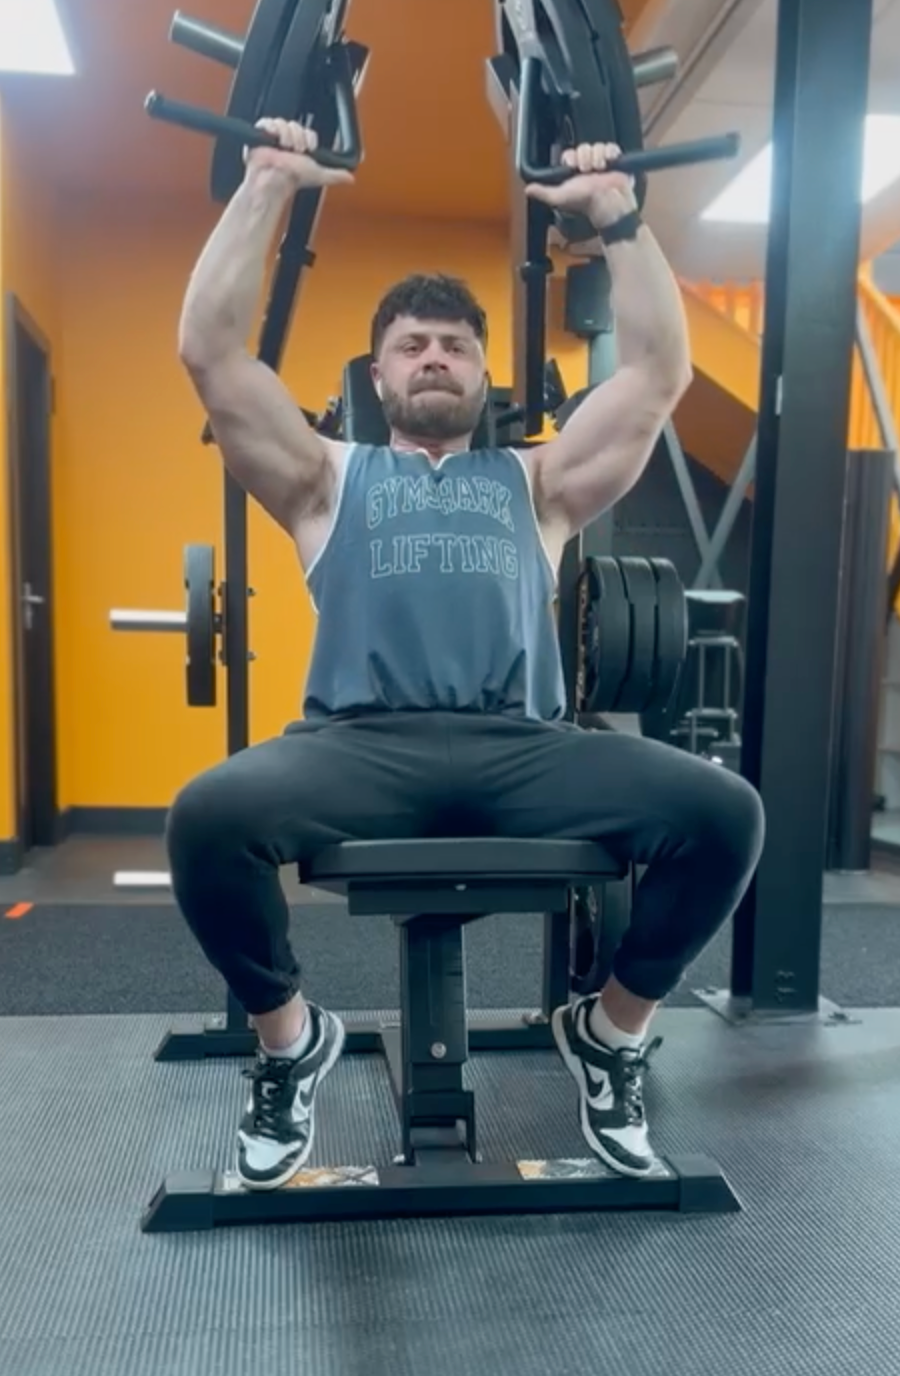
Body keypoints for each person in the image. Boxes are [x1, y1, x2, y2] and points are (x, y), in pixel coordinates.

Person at [168, 118, 765, 1192]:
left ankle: (612, 1030)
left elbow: (662, 370)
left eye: (454, 343)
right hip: (359, 745)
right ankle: (288, 1038)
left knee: (726, 812)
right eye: (412, 343)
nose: (433, 355)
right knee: (208, 815)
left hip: (522, 747)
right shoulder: (324, 477)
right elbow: (210, 354)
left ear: (484, 372)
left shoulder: (539, 483)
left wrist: (618, 219)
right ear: (380, 371)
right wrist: (264, 184)